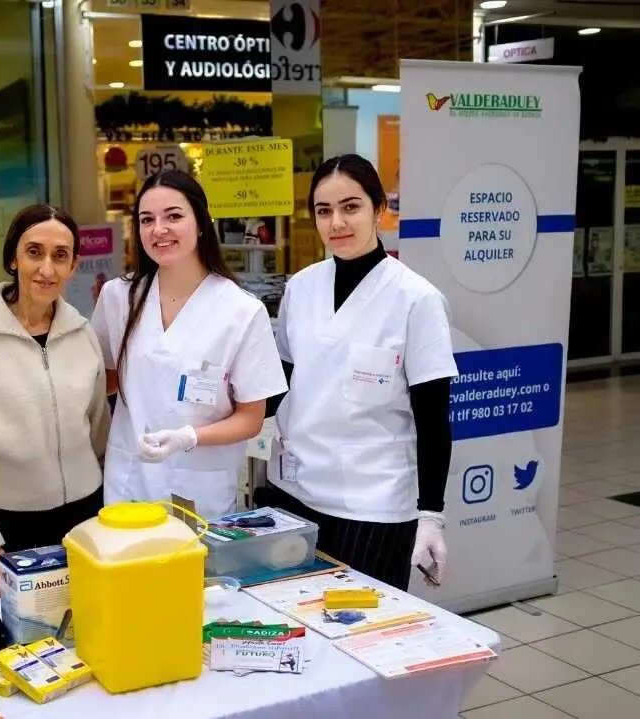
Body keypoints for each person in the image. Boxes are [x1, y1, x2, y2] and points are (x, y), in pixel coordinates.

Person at [258, 153, 457, 590]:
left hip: (374, 505)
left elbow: (433, 418)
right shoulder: (301, 287)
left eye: (351, 207)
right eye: (324, 211)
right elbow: (283, 385)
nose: (337, 223)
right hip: (295, 491)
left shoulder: (416, 299)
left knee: (362, 632)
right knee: (296, 623)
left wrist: (431, 515)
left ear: (378, 209)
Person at [0, 204, 110, 601]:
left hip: (83, 522)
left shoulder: (82, 333)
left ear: (73, 265)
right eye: (34, 252)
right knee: (12, 655)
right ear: (13, 257)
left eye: (60, 256)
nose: (47, 268)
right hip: (5, 529)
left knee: (87, 637)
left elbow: (99, 430)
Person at [91, 170, 286, 520]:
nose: (158, 229)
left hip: (198, 493)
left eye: (174, 216)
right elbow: (105, 381)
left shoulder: (241, 310)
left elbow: (251, 418)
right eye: (146, 219)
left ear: (200, 224)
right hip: (128, 483)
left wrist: (189, 437)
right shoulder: (119, 297)